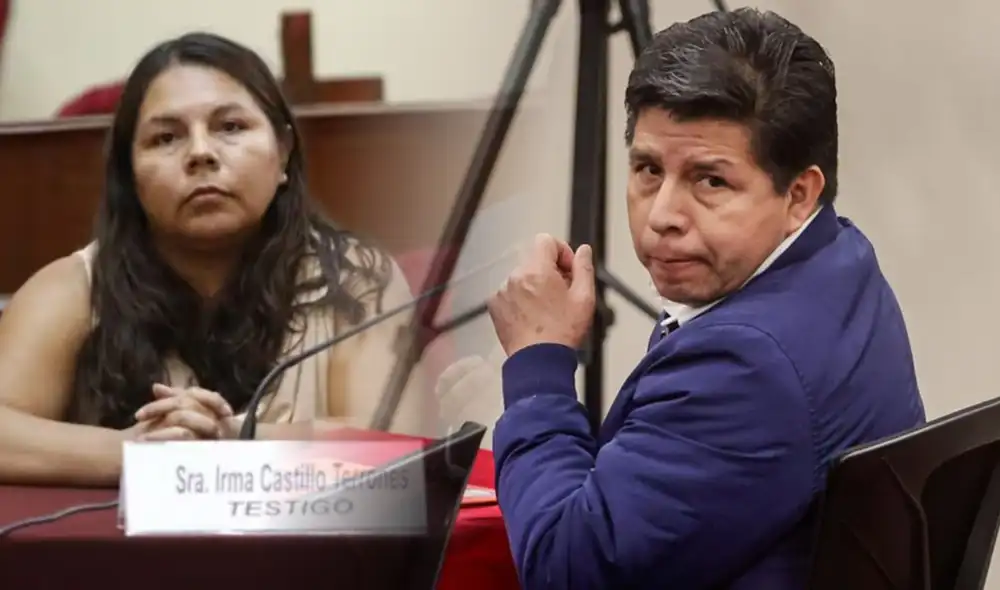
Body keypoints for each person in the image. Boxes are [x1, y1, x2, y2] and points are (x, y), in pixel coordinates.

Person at [483, 8, 926, 589]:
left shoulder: (745, 365)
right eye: (647, 170)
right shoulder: (840, 259)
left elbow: (564, 570)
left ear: (799, 194)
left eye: (710, 180)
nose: (663, 216)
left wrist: (537, 365)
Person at [0, 32, 434, 487]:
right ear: (130, 174)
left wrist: (234, 439)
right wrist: (138, 451)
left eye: (230, 127)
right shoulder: (76, 287)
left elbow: (394, 442)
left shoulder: (358, 279)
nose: (201, 153)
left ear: (283, 151)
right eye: (166, 137)